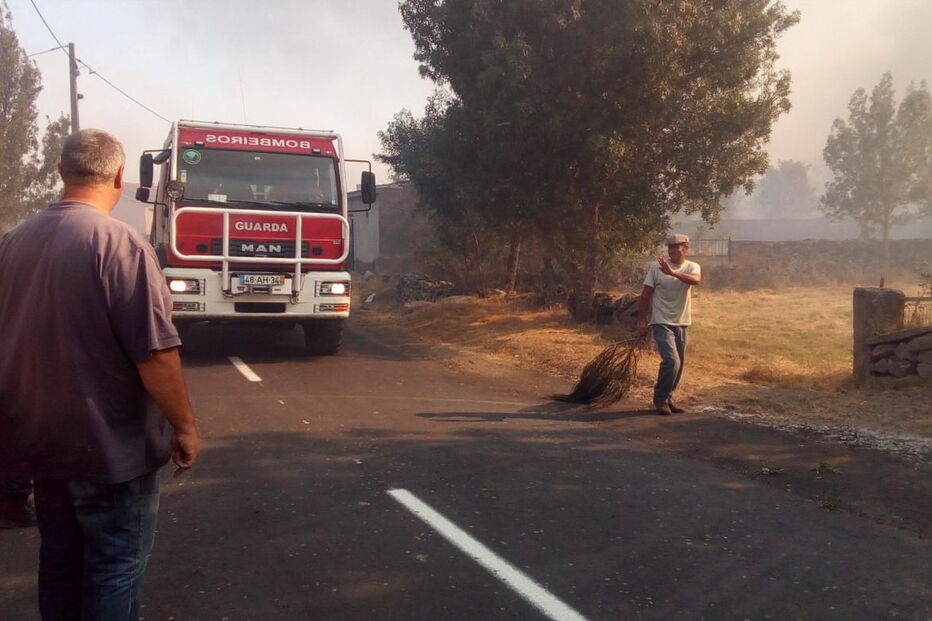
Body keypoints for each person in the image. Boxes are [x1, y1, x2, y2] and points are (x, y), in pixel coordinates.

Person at [0, 129, 201, 621]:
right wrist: (185, 426)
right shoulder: (119, 244)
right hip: (112, 451)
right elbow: (155, 354)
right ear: (117, 175)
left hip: (40, 445)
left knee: (60, 561)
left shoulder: (12, 243)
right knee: (114, 568)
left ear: (61, 171)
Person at [637, 233, 702, 415]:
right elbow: (646, 294)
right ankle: (659, 399)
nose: (672, 250)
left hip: (681, 322)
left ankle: (668, 397)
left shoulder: (692, 267)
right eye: (670, 247)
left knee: (679, 364)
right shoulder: (656, 267)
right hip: (661, 321)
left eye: (677, 247)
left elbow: (696, 281)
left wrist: (673, 273)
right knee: (671, 360)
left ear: (686, 248)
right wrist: (642, 319)